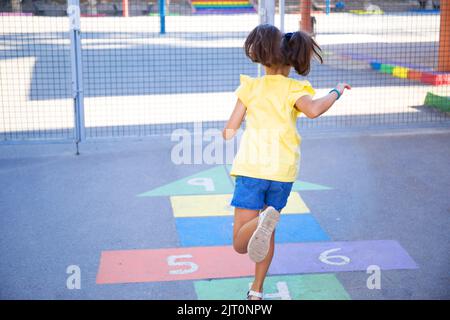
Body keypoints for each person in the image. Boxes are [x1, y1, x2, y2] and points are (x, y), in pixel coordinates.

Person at [222, 24, 351, 300]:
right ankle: (256, 291)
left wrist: (237, 125)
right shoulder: (295, 88)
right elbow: (314, 110)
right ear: (291, 57)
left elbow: (229, 131)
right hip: (282, 172)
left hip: (252, 168)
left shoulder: (251, 87)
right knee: (266, 235)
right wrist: (336, 91)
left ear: (261, 56)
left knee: (240, 244)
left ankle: (261, 223)